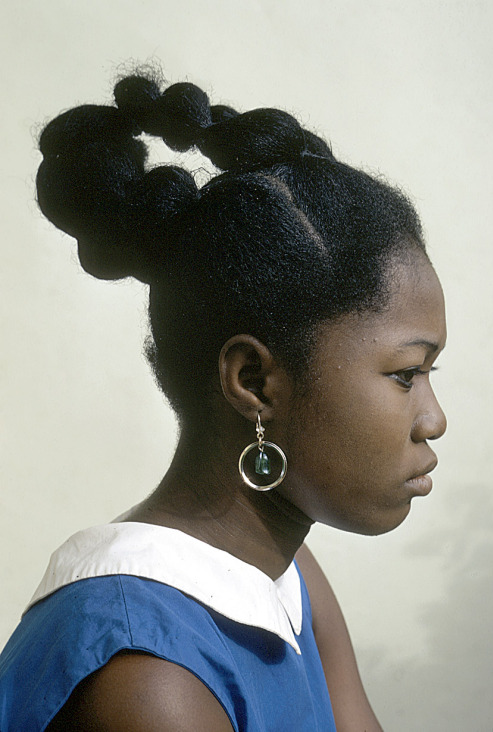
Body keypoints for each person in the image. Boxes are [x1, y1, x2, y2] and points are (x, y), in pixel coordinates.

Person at [0, 71, 446, 731]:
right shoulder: (148, 675)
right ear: (255, 381)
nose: (433, 419)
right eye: (406, 374)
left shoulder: (283, 578)